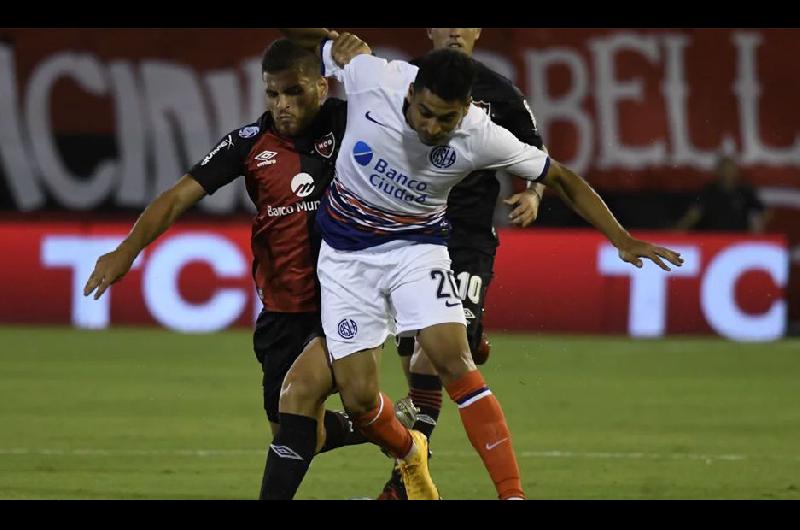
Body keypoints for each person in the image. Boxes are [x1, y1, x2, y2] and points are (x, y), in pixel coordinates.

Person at [263, 29, 683, 501]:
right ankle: (410, 453)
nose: (433, 128)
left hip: (416, 250)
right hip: (345, 260)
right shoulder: (371, 77)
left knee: (452, 360)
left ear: (464, 110)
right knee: (360, 401)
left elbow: (559, 175)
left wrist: (620, 239)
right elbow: (303, 47)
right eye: (425, 113)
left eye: (447, 118)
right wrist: (330, 38)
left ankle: (513, 494)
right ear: (412, 91)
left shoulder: (481, 132)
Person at [82, 38, 380, 500]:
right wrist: (127, 249)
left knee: (297, 407)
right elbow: (180, 195)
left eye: (294, 92)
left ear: (322, 87)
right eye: (273, 94)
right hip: (282, 309)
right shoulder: (248, 144)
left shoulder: (350, 124)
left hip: (343, 299)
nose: (282, 105)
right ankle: (389, 427)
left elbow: (403, 116)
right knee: (299, 432)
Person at [380, 27, 547, 500]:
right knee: (415, 356)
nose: (455, 29)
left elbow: (538, 156)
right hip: (408, 236)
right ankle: (469, 334)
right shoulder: (399, 81)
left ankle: (406, 480)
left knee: (430, 357)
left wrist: (533, 194)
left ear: (478, 31)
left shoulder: (500, 92)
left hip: (467, 239)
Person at [675, 154, 768, 233]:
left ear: (736, 172)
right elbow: (695, 213)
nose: (727, 173)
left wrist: (756, 231)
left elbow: (764, 211)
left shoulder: (744, 191)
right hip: (715, 237)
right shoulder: (709, 191)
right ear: (717, 172)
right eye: (724, 170)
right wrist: (678, 230)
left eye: (730, 170)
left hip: (738, 238)